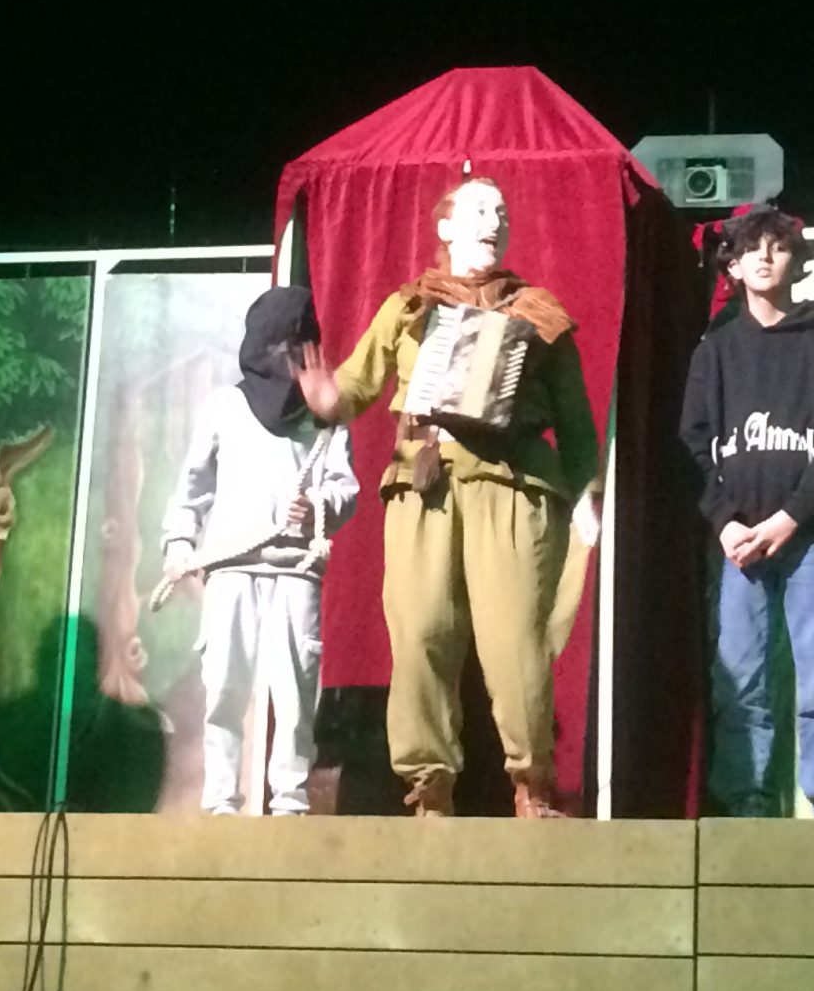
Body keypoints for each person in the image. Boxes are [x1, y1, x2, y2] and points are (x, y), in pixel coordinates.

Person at [319, 176, 601, 818]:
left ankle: (532, 785)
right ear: (444, 227)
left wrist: (589, 493)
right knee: (421, 633)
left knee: (515, 643)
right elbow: (356, 384)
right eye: (477, 210)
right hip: (425, 485)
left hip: (511, 485)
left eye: (501, 211)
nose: (493, 220)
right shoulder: (408, 307)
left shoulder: (537, 311)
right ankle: (429, 788)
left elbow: (576, 420)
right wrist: (322, 396)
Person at [681, 204, 814, 818]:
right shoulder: (715, 349)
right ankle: (747, 808)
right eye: (750, 248)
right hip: (740, 545)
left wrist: (792, 518)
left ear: (797, 261)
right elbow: (693, 445)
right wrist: (726, 521)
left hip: (813, 538)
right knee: (741, 679)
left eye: (777, 247)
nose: (763, 256)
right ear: (730, 266)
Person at [154, 286, 358, 816]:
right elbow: (193, 487)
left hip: (295, 570)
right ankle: (221, 799)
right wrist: (179, 541)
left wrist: (316, 506)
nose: (288, 361)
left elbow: (346, 489)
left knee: (295, 692)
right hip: (230, 567)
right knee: (224, 686)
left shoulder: (326, 417)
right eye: (280, 347)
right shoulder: (225, 407)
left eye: (299, 347)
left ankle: (289, 800)